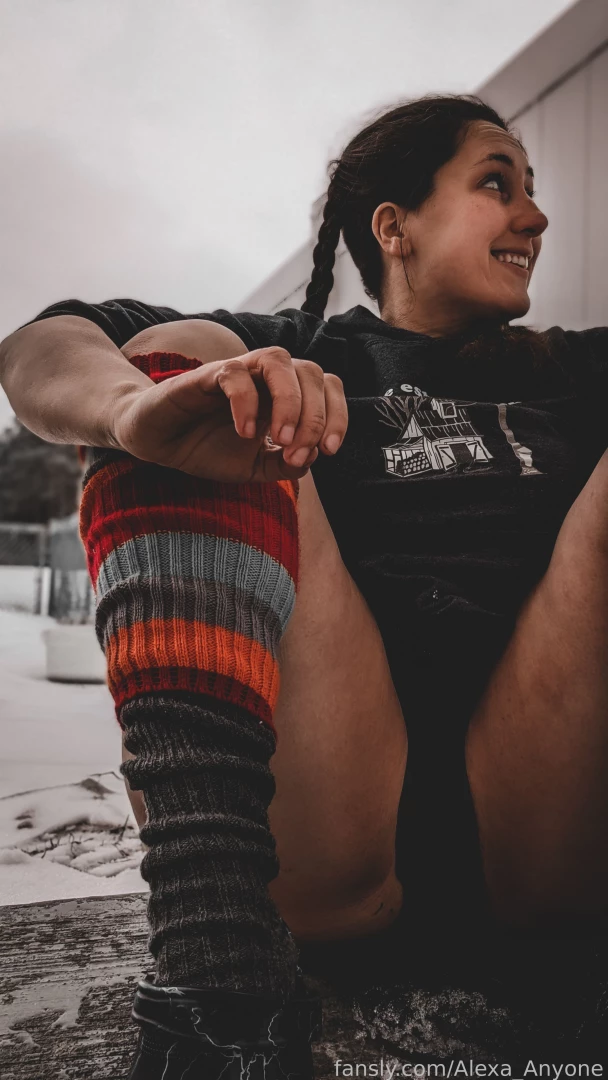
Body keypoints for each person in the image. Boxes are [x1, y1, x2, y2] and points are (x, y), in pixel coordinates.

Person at [2, 93, 608, 1078]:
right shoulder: (310, 351)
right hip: (327, 818)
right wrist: (129, 410)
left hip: (551, 818)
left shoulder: (577, 370)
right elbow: (38, 347)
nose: (533, 217)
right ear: (394, 227)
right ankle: (216, 987)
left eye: (531, 191)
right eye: (497, 184)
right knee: (196, 370)